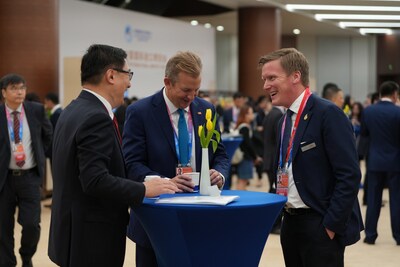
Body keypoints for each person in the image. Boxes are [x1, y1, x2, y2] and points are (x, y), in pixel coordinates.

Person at [48, 44, 178, 267]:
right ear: (111, 75)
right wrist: (144, 190)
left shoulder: (73, 109)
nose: (129, 82)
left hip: (72, 233)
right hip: (92, 239)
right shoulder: (96, 118)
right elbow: (95, 180)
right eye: (128, 74)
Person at [122, 51, 230, 267]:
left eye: (196, 90)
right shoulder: (140, 112)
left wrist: (219, 173)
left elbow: (220, 154)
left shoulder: (206, 109)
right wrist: (164, 183)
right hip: (155, 220)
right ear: (167, 82)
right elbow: (131, 163)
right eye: (186, 90)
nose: (191, 97)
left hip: (199, 217)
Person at [258, 48, 363, 267]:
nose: (266, 85)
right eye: (264, 79)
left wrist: (331, 226)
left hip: (320, 225)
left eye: (272, 78)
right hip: (291, 223)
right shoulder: (283, 121)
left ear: (295, 76)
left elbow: (349, 175)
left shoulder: (328, 114)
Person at [0, 73, 53, 267]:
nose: (20, 92)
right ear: (4, 92)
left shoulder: (36, 110)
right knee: (3, 226)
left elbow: (49, 137)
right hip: (4, 179)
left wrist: (45, 156)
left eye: (22, 88)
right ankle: (7, 262)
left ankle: (26, 255)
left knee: (31, 224)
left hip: (29, 177)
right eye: (14, 88)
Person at [361, 81, 400, 246]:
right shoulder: (398, 112)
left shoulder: (368, 111)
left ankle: (370, 235)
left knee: (373, 199)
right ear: (394, 94)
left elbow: (364, 134)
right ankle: (398, 236)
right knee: (397, 200)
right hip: (396, 161)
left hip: (375, 160)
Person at [234, 104, 262, 190]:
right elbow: (248, 144)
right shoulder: (244, 128)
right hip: (245, 158)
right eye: (250, 113)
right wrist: (255, 157)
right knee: (242, 182)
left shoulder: (243, 126)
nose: (252, 115)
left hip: (244, 158)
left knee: (242, 181)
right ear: (245, 114)